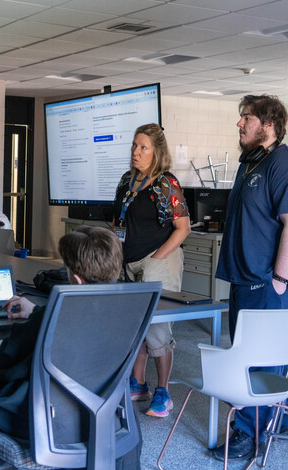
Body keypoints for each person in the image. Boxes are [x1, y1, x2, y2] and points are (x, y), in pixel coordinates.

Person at [0, 226, 142, 470]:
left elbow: (6, 365)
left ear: (77, 279)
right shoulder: (127, 311)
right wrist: (37, 311)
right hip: (103, 417)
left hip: (32, 417)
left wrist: (34, 320)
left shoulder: (55, 315)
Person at [212, 94, 288, 462]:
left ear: (268, 126)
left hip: (270, 281)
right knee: (264, 354)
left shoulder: (287, 167)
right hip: (246, 278)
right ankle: (275, 422)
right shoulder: (253, 162)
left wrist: (280, 282)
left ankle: (248, 434)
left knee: (257, 359)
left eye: (246, 118)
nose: (240, 124)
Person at [112, 123, 190, 418]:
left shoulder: (165, 183)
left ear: (157, 152)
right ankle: (139, 383)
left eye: (143, 147)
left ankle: (163, 391)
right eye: (134, 146)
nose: (136, 152)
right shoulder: (126, 181)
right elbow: (118, 222)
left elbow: (183, 228)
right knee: (135, 326)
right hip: (128, 260)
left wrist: (156, 258)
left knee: (157, 328)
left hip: (160, 259)